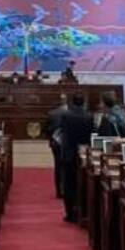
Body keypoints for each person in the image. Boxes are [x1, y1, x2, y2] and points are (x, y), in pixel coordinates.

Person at [58, 93, 94, 222]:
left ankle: (70, 213)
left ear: (72, 102)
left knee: (69, 184)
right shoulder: (89, 116)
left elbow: (62, 131)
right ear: (83, 102)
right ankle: (83, 212)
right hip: (84, 152)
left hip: (69, 153)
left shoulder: (66, 115)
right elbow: (91, 133)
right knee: (83, 182)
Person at [44, 94, 69, 198]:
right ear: (66, 100)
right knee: (68, 166)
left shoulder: (51, 113)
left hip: (56, 143)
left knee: (58, 166)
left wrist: (52, 138)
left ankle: (59, 191)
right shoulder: (71, 113)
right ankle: (67, 190)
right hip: (68, 144)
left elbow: (46, 130)